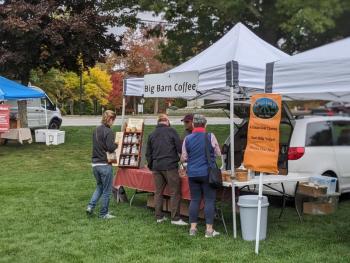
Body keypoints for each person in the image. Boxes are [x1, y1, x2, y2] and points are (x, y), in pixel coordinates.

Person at [181, 114, 222, 237]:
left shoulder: (187, 139)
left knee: (195, 200)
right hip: (207, 173)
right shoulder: (210, 136)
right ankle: (209, 230)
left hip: (192, 174)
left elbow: (184, 158)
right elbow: (218, 153)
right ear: (205, 125)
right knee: (209, 200)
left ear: (193, 125)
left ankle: (193, 229)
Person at [146, 114, 188, 226]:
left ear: (158, 122)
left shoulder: (152, 134)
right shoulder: (172, 131)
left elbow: (148, 154)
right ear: (167, 121)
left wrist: (151, 165)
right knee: (175, 192)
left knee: (158, 192)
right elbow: (180, 148)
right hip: (170, 166)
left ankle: (158, 216)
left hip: (156, 167)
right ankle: (175, 218)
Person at [86, 110, 118, 219]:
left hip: (95, 164)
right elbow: (110, 148)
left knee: (100, 186)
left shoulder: (96, 130)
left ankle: (90, 206)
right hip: (105, 164)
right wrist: (117, 144)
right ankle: (103, 213)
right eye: (113, 120)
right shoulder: (108, 131)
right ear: (110, 119)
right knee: (107, 190)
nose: (113, 123)